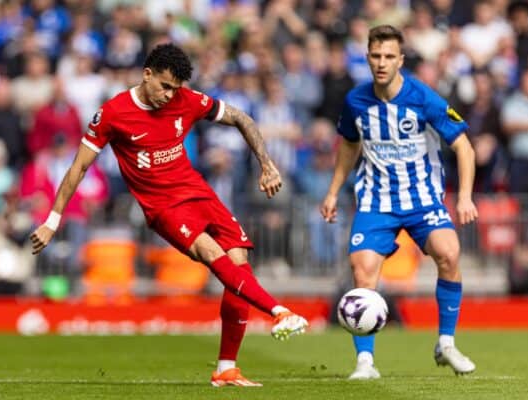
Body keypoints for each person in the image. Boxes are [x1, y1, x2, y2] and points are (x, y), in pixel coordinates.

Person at [29, 43, 308, 387]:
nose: (169, 95)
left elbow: (241, 117)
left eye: (175, 88)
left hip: (199, 193)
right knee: (212, 254)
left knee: (239, 263)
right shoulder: (113, 113)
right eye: (164, 86)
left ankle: (225, 369)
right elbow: (78, 168)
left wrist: (267, 165)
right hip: (163, 206)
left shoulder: (184, 99)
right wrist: (52, 220)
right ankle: (280, 311)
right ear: (147, 74)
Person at [320, 25, 478, 380]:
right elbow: (348, 145)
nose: (381, 63)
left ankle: (446, 343)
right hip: (376, 203)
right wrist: (332, 191)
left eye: (389, 56)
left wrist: (465, 196)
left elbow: (464, 146)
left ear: (400, 60)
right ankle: (365, 363)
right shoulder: (355, 101)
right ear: (367, 57)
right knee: (362, 269)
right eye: (376, 56)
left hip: (422, 200)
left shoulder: (425, 98)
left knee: (450, 254)